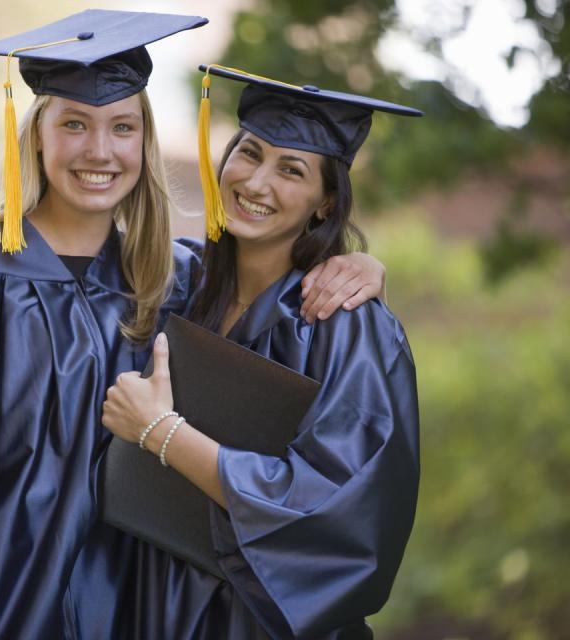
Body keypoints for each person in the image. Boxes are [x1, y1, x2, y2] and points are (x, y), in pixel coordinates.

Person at [0, 10, 388, 636]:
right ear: (36, 135)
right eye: (74, 125)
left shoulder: (181, 282)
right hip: (3, 601)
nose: (99, 150)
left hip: (141, 608)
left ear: (144, 141)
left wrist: (353, 264)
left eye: (122, 127)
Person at [101, 65, 421, 639]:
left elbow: (337, 508)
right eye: (249, 153)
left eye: (291, 169)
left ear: (326, 203)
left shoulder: (343, 328)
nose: (255, 182)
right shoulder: (175, 280)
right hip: (151, 597)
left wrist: (161, 432)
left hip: (256, 620)